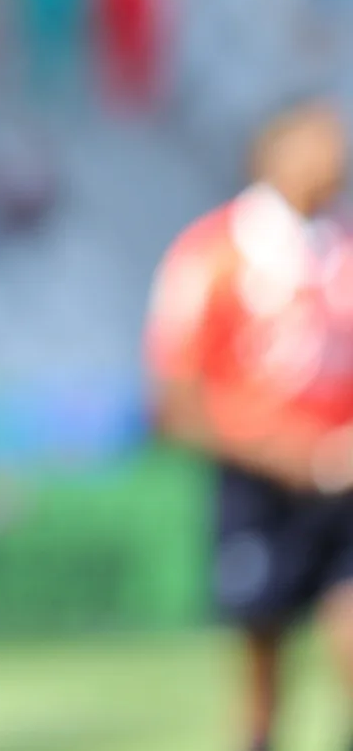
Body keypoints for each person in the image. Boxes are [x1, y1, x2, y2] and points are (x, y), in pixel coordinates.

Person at [147, 96, 353, 751]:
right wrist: (288, 455)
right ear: (273, 154)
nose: (335, 158)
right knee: (263, 668)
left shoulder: (344, 252)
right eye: (318, 142)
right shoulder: (213, 256)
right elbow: (176, 405)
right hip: (259, 490)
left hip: (344, 491)